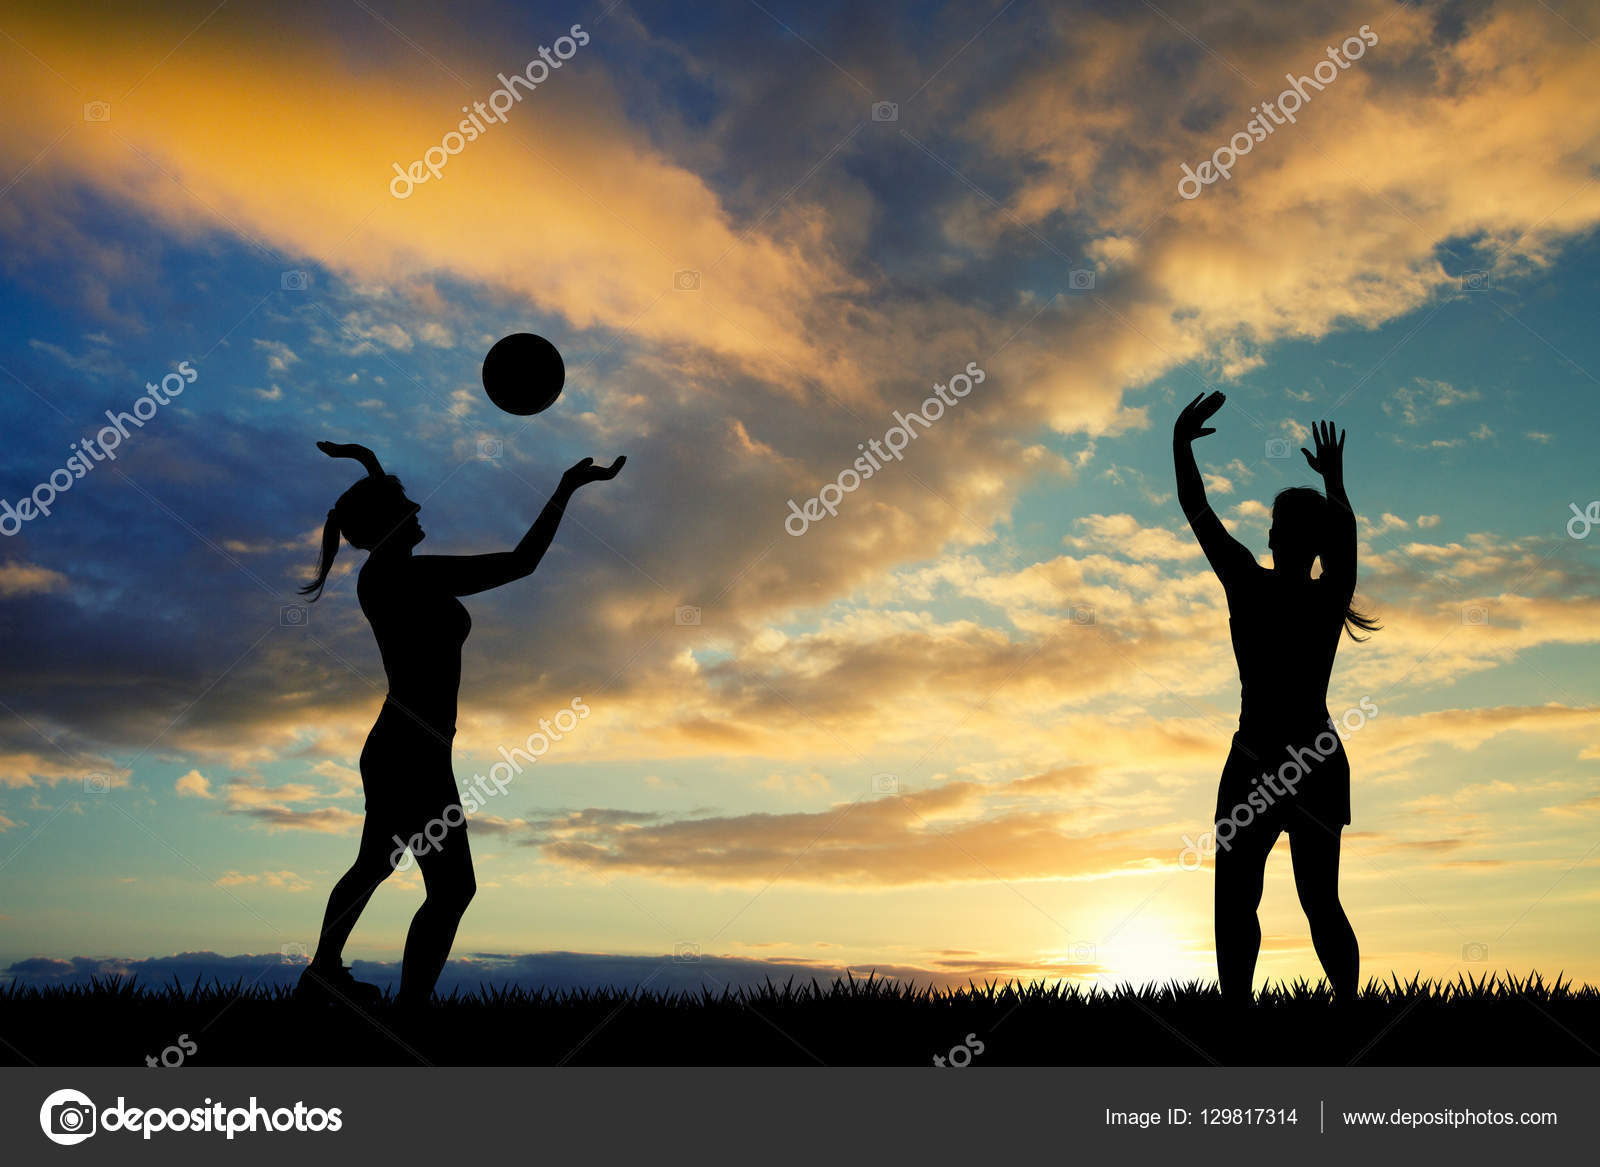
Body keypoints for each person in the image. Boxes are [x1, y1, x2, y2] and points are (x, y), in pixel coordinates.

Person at [295, 439, 624, 1009]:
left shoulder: (381, 571)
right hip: (411, 751)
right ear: (388, 523)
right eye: (407, 506)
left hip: (405, 746)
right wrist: (566, 487)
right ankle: (405, 1011)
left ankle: (325, 976)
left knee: (378, 864)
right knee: (450, 887)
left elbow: (375, 510)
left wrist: (369, 460)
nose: (420, 508)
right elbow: (521, 563)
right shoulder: (410, 578)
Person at [1173, 393, 1374, 1006]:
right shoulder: (1326, 593)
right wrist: (1335, 483)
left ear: (1282, 538)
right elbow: (1347, 537)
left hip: (1266, 757)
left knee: (1268, 900)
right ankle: (1316, 1013)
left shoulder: (1250, 583)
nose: (1270, 531)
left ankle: (1256, 1015)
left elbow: (1198, 510)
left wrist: (1181, 445)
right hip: (1303, 756)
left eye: (1277, 524)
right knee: (1299, 900)